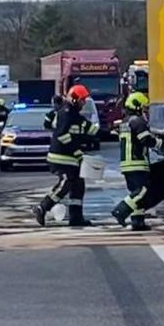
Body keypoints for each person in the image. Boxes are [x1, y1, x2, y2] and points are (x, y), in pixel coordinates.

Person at [33, 85, 99, 227]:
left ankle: (76, 217)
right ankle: (43, 207)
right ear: (75, 100)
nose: (84, 103)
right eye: (82, 100)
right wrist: (76, 151)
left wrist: (109, 131)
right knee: (66, 183)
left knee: (78, 186)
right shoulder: (66, 113)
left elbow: (87, 127)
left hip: (72, 159)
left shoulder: (74, 114)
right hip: (61, 158)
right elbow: (62, 135)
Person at [111, 92, 163, 231]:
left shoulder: (125, 121)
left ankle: (138, 221)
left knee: (136, 193)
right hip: (136, 161)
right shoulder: (137, 121)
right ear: (137, 106)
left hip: (127, 163)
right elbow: (146, 140)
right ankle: (120, 211)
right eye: (143, 108)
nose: (145, 111)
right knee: (142, 191)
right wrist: (161, 144)